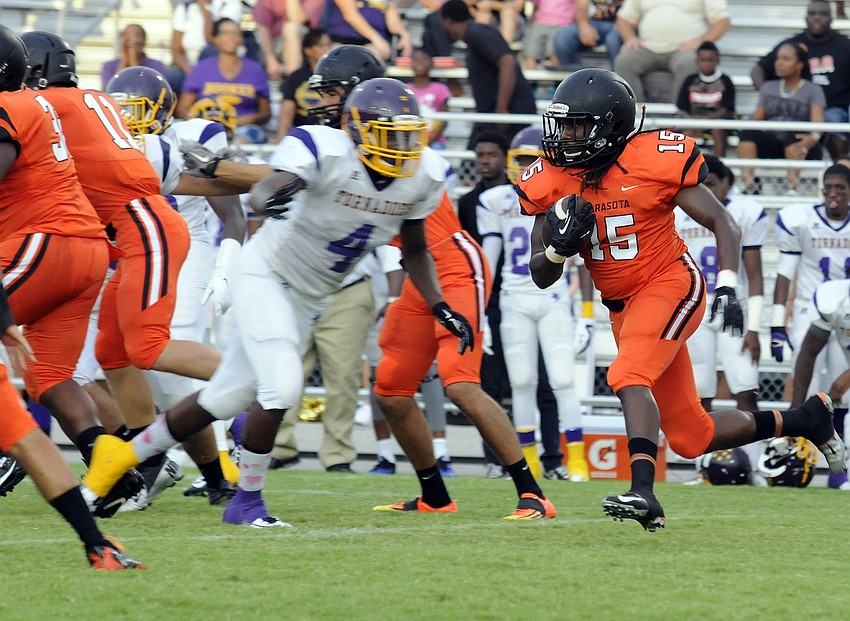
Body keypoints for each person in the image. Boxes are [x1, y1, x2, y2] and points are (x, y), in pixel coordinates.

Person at [81, 77, 474, 528]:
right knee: (282, 386)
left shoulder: (424, 173)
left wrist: (439, 303)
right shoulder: (325, 151)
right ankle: (247, 502)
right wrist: (270, 196)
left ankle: (118, 461)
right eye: (389, 134)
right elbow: (269, 187)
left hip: (310, 298)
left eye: (408, 134)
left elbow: (416, 247)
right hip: (265, 275)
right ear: (356, 130)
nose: (401, 147)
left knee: (224, 397)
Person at [517, 68, 844, 531]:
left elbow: (722, 223)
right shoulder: (552, 178)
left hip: (670, 283)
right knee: (693, 436)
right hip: (622, 307)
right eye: (563, 124)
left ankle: (644, 493)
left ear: (608, 128)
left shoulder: (652, 159)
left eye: (577, 126)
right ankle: (806, 419)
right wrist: (557, 248)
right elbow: (540, 274)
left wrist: (729, 284)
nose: (564, 137)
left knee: (627, 373)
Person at [21, 32, 244, 512]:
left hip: (145, 232)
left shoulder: (44, 109)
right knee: (112, 352)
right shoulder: (97, 115)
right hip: (121, 242)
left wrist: (270, 178)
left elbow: (212, 182)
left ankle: (253, 379)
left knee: (149, 346)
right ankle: (147, 453)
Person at [3, 29, 148, 516]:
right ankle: (111, 466)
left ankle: (10, 451)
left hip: (46, 241)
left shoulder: (10, 106)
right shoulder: (36, 103)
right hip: (84, 248)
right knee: (49, 375)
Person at [106, 66, 248, 508]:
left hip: (187, 249)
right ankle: (209, 461)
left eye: (138, 111)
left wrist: (225, 267)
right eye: (122, 112)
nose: (129, 121)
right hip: (134, 252)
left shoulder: (193, 137)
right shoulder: (109, 141)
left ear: (163, 110)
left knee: (170, 353)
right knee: (130, 362)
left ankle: (226, 449)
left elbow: (234, 214)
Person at [371, 185, 557, 519]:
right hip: (420, 274)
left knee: (460, 384)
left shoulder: (412, 162)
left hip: (456, 266)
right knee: (390, 389)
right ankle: (435, 497)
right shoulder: (343, 169)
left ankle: (533, 494)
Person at [476, 126, 591, 481]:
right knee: (522, 382)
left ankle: (576, 462)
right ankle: (529, 463)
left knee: (561, 379)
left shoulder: (566, 193)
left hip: (553, 296)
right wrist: (480, 310)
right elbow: (487, 258)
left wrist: (587, 314)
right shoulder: (495, 200)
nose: (526, 167)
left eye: (531, 159)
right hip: (513, 297)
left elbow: (586, 259)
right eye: (520, 160)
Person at [674, 155, 768, 485]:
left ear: (727, 183)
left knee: (745, 386)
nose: (706, 190)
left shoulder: (745, 211)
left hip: (732, 307)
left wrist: (755, 326)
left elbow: (754, 275)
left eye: (712, 183)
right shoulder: (680, 207)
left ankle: (754, 466)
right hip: (695, 305)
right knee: (700, 394)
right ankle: (706, 468)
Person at [770, 163, 850, 490]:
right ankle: (796, 457)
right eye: (827, 188)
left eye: (840, 189)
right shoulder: (802, 221)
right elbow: (785, 272)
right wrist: (777, 323)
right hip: (810, 308)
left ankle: (838, 469)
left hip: (846, 310)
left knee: (842, 392)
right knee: (804, 382)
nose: (832, 195)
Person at [751, 1, 850, 159]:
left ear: (831, 19)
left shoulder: (844, 45)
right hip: (796, 107)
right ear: (805, 18)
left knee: (833, 122)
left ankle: (840, 172)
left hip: (832, 108)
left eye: (823, 14)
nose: (817, 18)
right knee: (752, 123)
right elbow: (758, 70)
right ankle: (755, 178)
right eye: (812, 14)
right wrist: (766, 94)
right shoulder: (792, 45)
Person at [440, 0, 537, 148]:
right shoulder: (474, 34)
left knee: (478, 162)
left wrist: (502, 109)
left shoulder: (477, 33)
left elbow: (507, 62)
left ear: (448, 22)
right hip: (492, 116)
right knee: (476, 163)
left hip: (506, 114)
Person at [738, 42, 826, 195]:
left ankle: (791, 188)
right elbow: (757, 121)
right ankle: (750, 185)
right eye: (778, 58)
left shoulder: (813, 90)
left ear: (799, 65)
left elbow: (818, 125)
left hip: (802, 144)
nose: (779, 63)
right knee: (747, 133)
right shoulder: (768, 87)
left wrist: (810, 140)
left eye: (786, 59)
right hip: (774, 141)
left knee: (794, 135)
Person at [792, 278, 850, 489]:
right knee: (841, 399)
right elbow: (808, 353)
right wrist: (796, 409)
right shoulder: (833, 298)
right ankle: (840, 474)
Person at [614, 0, 731, 103]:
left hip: (684, 50)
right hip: (648, 47)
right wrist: (630, 38)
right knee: (624, 61)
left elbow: (722, 20)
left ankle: (678, 116)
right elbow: (624, 18)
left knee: (690, 63)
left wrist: (701, 42)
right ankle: (634, 114)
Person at [177, 18, 271, 145]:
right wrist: (205, 121)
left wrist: (247, 119)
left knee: (244, 140)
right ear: (215, 39)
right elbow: (183, 108)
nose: (231, 37)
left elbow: (265, 112)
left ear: (242, 39)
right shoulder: (201, 69)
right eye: (225, 33)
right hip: (205, 127)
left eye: (235, 33)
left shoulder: (255, 69)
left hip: (242, 129)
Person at [675, 41, 736, 157]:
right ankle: (683, 166)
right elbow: (682, 107)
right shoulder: (690, 80)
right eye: (703, 60)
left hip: (715, 122)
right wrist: (692, 122)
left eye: (710, 60)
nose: (706, 64)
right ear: (697, 62)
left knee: (718, 130)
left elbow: (726, 109)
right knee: (682, 131)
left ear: (717, 61)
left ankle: (719, 166)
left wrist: (706, 122)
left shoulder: (725, 81)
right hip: (693, 121)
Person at [170, 0, 244, 93]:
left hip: (220, 64)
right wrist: (192, 73)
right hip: (191, 66)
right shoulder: (185, 8)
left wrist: (206, 12)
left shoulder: (229, 5)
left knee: (209, 51)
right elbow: (176, 50)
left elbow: (215, 40)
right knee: (173, 79)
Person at [275, 28, 331, 141]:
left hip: (330, 132)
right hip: (301, 133)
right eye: (321, 46)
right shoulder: (297, 77)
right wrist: (281, 139)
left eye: (328, 45)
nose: (327, 50)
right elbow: (286, 111)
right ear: (308, 50)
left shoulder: (338, 76)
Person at [253, 0, 325, 80]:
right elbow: (263, 30)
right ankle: (292, 79)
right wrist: (270, 59)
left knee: (291, 28)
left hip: (306, 43)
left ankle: (292, 80)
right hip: (274, 46)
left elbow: (297, 19)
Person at [324, 0, 414, 62]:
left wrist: (404, 36)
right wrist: (377, 40)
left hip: (371, 43)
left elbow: (394, 24)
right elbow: (351, 16)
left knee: (375, 54)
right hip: (342, 39)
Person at [553, 0, 622, 70]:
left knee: (613, 39)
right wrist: (584, 25)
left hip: (621, 24)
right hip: (592, 23)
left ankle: (618, 78)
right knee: (563, 37)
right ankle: (575, 78)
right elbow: (581, 8)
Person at [406, 48, 451, 149]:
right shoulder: (405, 89)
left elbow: (444, 120)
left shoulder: (440, 89)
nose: (420, 64)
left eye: (423, 60)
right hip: (412, 140)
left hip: (435, 140)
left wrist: (429, 141)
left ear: (431, 64)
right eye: (416, 60)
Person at [100, 24, 167, 91]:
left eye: (135, 35)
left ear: (144, 40)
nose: (130, 39)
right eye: (125, 35)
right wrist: (124, 60)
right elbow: (109, 90)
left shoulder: (156, 65)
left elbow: (151, 91)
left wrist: (134, 62)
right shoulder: (109, 66)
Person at [520, 0, 575, 70]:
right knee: (530, 51)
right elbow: (535, 7)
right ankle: (531, 79)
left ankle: (556, 78)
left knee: (554, 51)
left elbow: (579, 8)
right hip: (540, 23)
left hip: (563, 24)